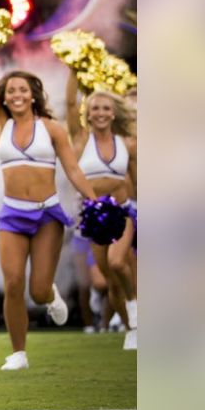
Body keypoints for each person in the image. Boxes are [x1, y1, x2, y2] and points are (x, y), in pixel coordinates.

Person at [0, 57, 98, 369]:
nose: (16, 95)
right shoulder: (0, 125)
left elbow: (73, 169)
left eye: (23, 90)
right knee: (13, 283)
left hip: (46, 216)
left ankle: (50, 295)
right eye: (11, 90)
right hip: (12, 216)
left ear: (33, 96)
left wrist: (95, 200)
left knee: (38, 289)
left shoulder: (52, 129)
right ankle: (18, 353)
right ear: (4, 97)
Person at [66, 73, 138, 350]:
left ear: (114, 112)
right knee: (110, 282)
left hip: (121, 212)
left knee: (118, 262)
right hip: (93, 218)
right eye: (95, 107)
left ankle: (134, 306)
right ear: (89, 113)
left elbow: (135, 180)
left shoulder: (127, 142)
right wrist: (74, 68)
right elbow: (71, 106)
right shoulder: (81, 139)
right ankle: (131, 328)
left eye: (106, 108)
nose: (100, 113)